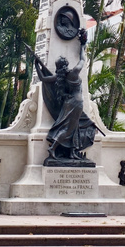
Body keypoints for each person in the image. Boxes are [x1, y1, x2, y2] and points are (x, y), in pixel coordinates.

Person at [32, 28, 98, 163]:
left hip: (70, 103)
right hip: (76, 103)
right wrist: (83, 46)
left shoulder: (59, 77)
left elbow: (43, 79)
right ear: (66, 64)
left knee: (74, 127)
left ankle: (73, 151)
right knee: (68, 128)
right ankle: (53, 148)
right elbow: (82, 60)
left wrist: (37, 65)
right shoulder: (74, 73)